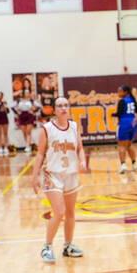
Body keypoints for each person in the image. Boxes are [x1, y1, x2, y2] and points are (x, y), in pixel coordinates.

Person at [32, 96, 88, 261]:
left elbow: (80, 148)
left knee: (70, 212)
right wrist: (34, 177)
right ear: (54, 110)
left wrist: (83, 160)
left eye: (66, 105)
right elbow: (40, 153)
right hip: (52, 174)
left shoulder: (74, 126)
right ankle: (47, 247)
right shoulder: (47, 128)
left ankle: (68, 246)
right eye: (59, 106)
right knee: (59, 211)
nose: (63, 108)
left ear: (69, 108)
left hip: (70, 174)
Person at [115, 84, 137, 173]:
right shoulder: (132, 100)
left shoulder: (122, 101)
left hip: (124, 123)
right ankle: (134, 164)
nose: (118, 92)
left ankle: (123, 165)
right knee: (129, 145)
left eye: (120, 91)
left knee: (122, 146)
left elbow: (118, 114)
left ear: (125, 92)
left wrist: (112, 114)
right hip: (134, 123)